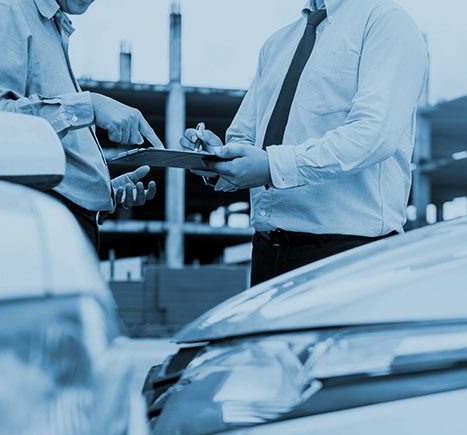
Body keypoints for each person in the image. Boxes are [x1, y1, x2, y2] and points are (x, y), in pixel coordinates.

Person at [182, 0, 427, 286]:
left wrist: (272, 167)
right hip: (268, 253)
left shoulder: (386, 22)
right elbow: (245, 136)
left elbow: (373, 135)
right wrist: (218, 157)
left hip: (350, 254)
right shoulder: (276, 44)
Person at [0, 0, 162, 251]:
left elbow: (41, 147)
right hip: (31, 230)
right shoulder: (3, 10)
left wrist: (97, 192)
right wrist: (88, 106)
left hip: (58, 224)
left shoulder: (46, 25)